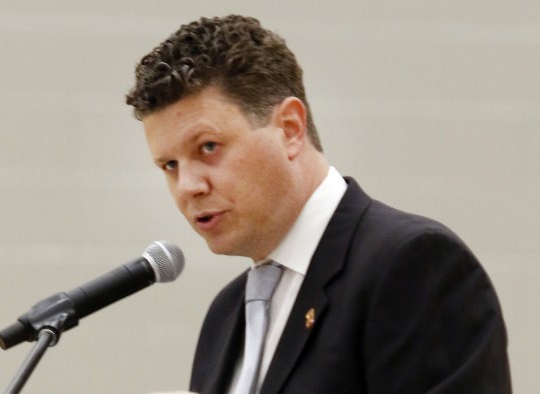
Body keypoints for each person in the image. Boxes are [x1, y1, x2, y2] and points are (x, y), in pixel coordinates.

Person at [126, 15, 511, 394]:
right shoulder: (226, 315)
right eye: (169, 165)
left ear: (290, 129)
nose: (188, 186)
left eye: (208, 147)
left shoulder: (412, 265)